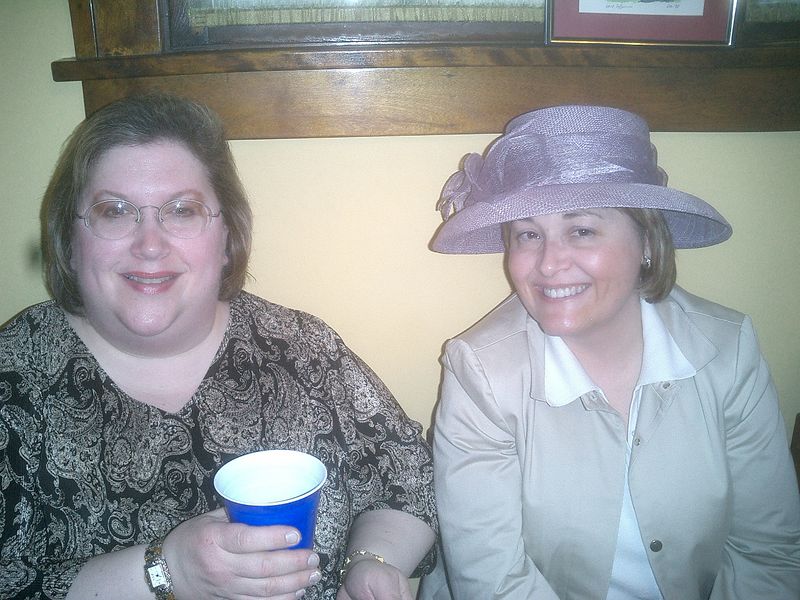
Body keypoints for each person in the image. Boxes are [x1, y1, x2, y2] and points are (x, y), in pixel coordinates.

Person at [0, 93, 436, 600]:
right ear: (69, 239)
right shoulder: (14, 380)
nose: (149, 244)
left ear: (227, 235)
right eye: (114, 211)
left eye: (182, 211)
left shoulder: (303, 348)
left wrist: (373, 562)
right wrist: (165, 572)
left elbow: (409, 481)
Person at [418, 105, 800, 599]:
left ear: (647, 241)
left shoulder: (727, 349)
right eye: (528, 234)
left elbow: (767, 551)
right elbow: (493, 581)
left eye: (581, 230)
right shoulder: (482, 371)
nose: (548, 264)